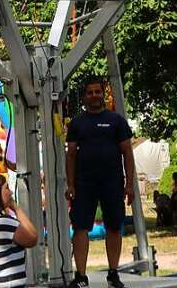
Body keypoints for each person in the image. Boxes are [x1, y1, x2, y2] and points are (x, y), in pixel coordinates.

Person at [66, 79, 135, 288]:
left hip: (112, 183)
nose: (94, 95)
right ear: (85, 96)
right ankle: (81, 275)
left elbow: (127, 153)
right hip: (84, 183)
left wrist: (130, 184)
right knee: (80, 228)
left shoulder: (116, 121)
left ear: (102, 94)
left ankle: (113, 273)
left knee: (114, 226)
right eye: (90, 92)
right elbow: (70, 155)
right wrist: (70, 184)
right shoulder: (77, 123)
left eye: (97, 92)